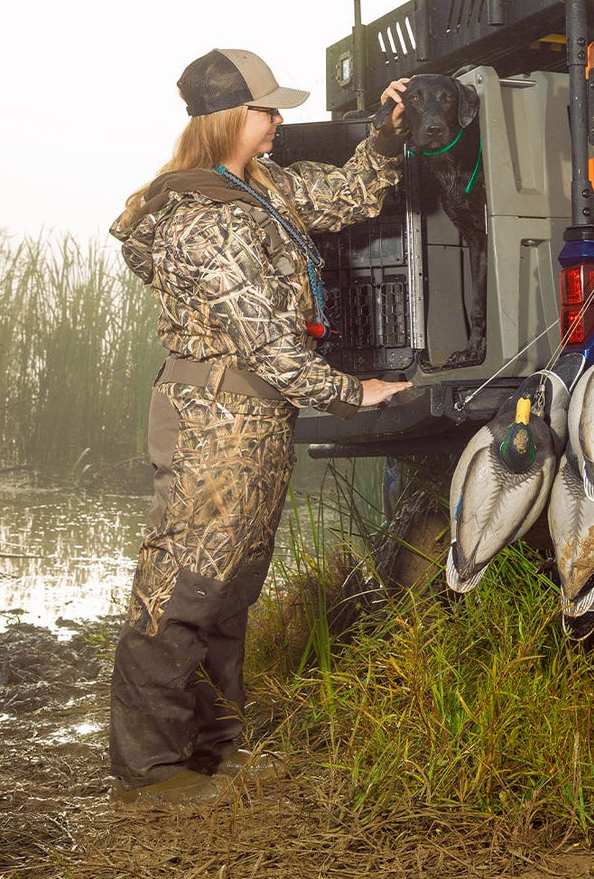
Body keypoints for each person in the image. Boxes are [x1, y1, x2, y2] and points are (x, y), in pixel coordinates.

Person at [107, 48, 412, 804]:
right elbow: (266, 344)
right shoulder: (202, 219)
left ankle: (215, 752)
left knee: (231, 587)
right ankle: (149, 774)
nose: (280, 119)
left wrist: (389, 133)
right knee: (181, 588)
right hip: (215, 415)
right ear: (229, 118)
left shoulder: (258, 187)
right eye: (267, 108)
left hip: (256, 416)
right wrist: (355, 392)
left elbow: (342, 197)